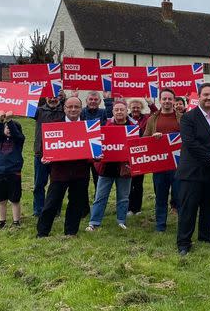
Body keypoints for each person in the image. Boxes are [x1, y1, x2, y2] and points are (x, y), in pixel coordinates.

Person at [175, 83, 210, 255]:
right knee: (188, 208)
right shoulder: (188, 117)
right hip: (193, 172)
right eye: (205, 95)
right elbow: (190, 143)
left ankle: (205, 237)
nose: (209, 98)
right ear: (198, 97)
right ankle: (184, 242)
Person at [36, 97, 93, 237]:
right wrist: (45, 156)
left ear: (81, 108)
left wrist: (96, 156)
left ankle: (71, 232)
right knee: (51, 203)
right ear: (64, 108)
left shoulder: (89, 127)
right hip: (59, 172)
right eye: (70, 107)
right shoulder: (54, 124)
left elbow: (94, 149)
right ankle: (42, 232)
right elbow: (45, 146)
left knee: (76, 203)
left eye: (76, 107)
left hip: (81, 172)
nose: (73, 109)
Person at [86, 101, 135, 231]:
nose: (119, 112)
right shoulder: (105, 126)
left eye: (122, 110)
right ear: (112, 112)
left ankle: (121, 221)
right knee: (100, 197)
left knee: (123, 197)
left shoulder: (133, 128)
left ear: (126, 111)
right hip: (106, 168)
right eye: (116, 110)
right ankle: (94, 222)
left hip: (125, 169)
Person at [143, 88, 183, 232]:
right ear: (160, 100)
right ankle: (160, 226)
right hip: (159, 164)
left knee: (180, 196)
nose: (167, 101)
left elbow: (189, 138)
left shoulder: (182, 118)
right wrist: (153, 138)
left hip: (178, 165)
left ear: (174, 101)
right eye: (164, 99)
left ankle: (182, 225)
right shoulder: (152, 118)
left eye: (169, 99)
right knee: (160, 196)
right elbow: (144, 139)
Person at [31, 94, 65, 217]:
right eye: (50, 97)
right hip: (41, 153)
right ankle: (38, 210)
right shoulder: (39, 111)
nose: (52, 99)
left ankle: (55, 210)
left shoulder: (64, 111)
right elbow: (25, 107)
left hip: (58, 154)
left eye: (55, 97)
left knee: (57, 184)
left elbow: (74, 113)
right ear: (45, 98)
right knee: (39, 184)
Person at [0, 111, 24, 228]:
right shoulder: (0, 139)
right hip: (0, 173)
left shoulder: (18, 140)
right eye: (7, 128)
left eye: (11, 128)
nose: (9, 129)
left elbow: (17, 134)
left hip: (14, 173)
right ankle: (2, 221)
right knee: (1, 200)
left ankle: (16, 221)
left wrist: (10, 121)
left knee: (15, 199)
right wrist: (1, 121)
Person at [126, 98, 152, 216]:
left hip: (141, 154)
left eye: (138, 107)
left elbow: (155, 113)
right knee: (128, 183)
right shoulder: (126, 118)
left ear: (141, 108)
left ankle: (137, 208)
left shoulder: (146, 118)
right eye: (133, 107)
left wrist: (150, 103)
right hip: (127, 154)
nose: (135, 109)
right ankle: (128, 208)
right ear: (130, 108)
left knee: (138, 183)